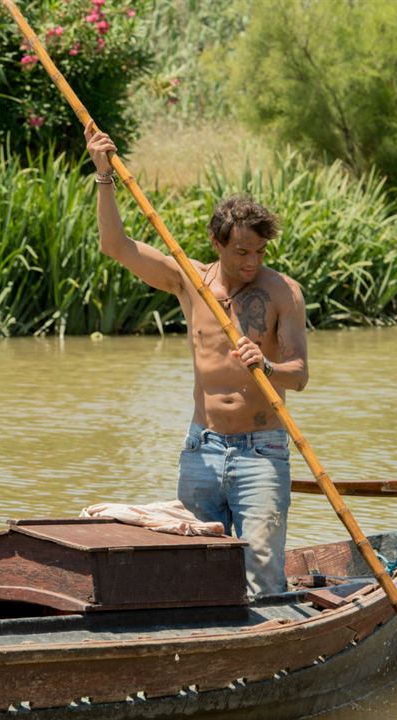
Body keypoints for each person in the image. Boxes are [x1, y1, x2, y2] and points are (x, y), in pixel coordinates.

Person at [85, 125, 309, 598]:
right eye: (241, 251)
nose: (251, 262)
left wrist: (266, 368)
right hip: (201, 448)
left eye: (260, 252)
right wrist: (104, 177)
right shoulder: (190, 281)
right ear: (217, 242)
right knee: (194, 570)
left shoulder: (282, 292)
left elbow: (300, 375)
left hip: (261, 450)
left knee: (263, 575)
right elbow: (117, 247)